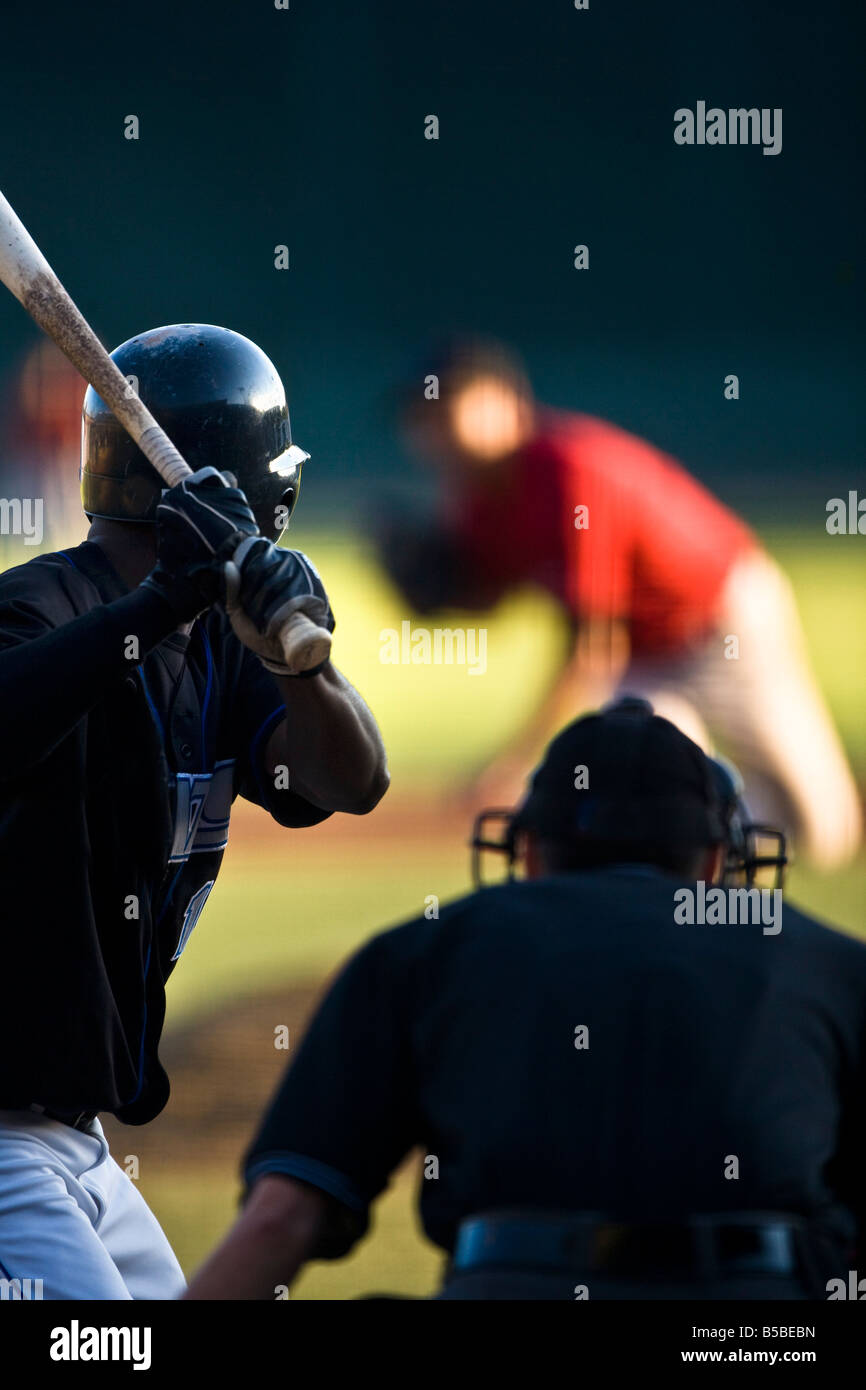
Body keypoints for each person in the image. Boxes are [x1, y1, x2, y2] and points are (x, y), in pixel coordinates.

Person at [183, 697, 866, 1301]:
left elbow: (283, 1219)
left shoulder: (423, 953)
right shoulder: (834, 963)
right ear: (716, 862)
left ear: (531, 851)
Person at [0, 323, 389, 1300]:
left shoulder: (223, 642)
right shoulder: (36, 611)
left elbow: (351, 781)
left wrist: (300, 663)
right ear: (260, 486)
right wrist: (158, 604)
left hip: (72, 1140)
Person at [376, 339, 861, 868]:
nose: (434, 434)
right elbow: (488, 599)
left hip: (724, 625)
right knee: (650, 795)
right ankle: (704, 865)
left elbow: (591, 649)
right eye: (422, 419)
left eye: (446, 411)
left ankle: (725, 828)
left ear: (505, 402)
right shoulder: (474, 502)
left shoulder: (573, 471)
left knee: (823, 830)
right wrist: (437, 596)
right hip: (641, 653)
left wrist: (512, 763)